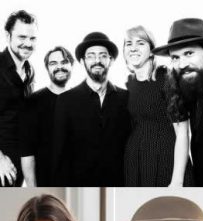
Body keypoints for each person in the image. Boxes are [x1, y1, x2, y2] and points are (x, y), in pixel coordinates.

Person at [154, 18, 203, 187]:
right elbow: (182, 134)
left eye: (189, 53)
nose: (182, 64)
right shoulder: (180, 85)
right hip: (202, 182)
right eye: (175, 57)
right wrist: (176, 182)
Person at [52, 31, 130, 186]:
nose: (97, 60)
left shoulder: (126, 98)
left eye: (102, 55)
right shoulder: (65, 101)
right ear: (82, 61)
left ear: (111, 60)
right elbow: (59, 156)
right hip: (79, 188)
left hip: (118, 186)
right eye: (91, 55)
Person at [123, 25, 193, 187]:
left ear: (151, 50)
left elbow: (183, 133)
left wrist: (177, 180)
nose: (133, 48)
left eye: (140, 43)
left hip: (165, 161)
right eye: (128, 44)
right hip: (136, 163)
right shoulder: (129, 83)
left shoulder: (166, 78)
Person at [19, 46, 73, 187]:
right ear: (47, 68)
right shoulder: (33, 102)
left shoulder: (83, 100)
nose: (59, 67)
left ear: (71, 65)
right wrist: (32, 188)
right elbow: (27, 153)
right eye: (53, 63)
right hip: (46, 183)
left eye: (64, 62)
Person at [0, 10, 37, 187]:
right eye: (22, 37)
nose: (27, 44)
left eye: (32, 39)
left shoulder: (30, 70)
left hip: (20, 164)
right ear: (8, 36)